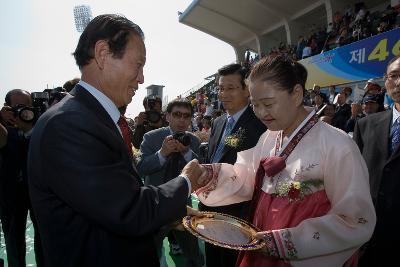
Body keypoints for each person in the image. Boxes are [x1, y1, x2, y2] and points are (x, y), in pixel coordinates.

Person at [27, 14, 205, 267]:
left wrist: (166, 215)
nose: (142, 78)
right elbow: (130, 211)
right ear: (103, 53)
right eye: (138, 64)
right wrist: (186, 181)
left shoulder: (87, 117)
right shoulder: (69, 124)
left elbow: (111, 199)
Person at [192, 55, 376, 267]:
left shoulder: (337, 145)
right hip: (261, 250)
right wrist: (206, 175)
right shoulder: (269, 137)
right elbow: (244, 177)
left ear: (297, 94)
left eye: (268, 104)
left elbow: (355, 220)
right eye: (255, 105)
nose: (261, 113)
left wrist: (285, 242)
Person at [199, 63, 266, 267]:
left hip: (238, 212)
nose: (223, 94)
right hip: (209, 209)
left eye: (230, 88)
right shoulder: (219, 122)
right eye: (220, 88)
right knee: (212, 259)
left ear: (247, 89)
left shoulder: (260, 123)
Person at [137, 98, 204, 267]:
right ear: (167, 116)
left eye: (186, 116)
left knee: (193, 254)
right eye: (177, 115)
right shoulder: (151, 138)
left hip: (183, 205)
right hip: (155, 204)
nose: (182, 120)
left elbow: (201, 169)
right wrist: (162, 153)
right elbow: (141, 168)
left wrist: (188, 153)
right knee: (153, 252)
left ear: (190, 119)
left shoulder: (194, 141)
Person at [353, 56, 400, 267]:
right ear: (385, 80)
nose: (399, 82)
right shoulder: (365, 125)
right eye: (394, 76)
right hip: (368, 236)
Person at [0, 89, 44, 267]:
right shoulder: (4, 131)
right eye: (16, 107)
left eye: (26, 106)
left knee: (43, 238)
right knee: (13, 241)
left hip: (37, 192)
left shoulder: (41, 127)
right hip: (10, 194)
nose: (21, 111)